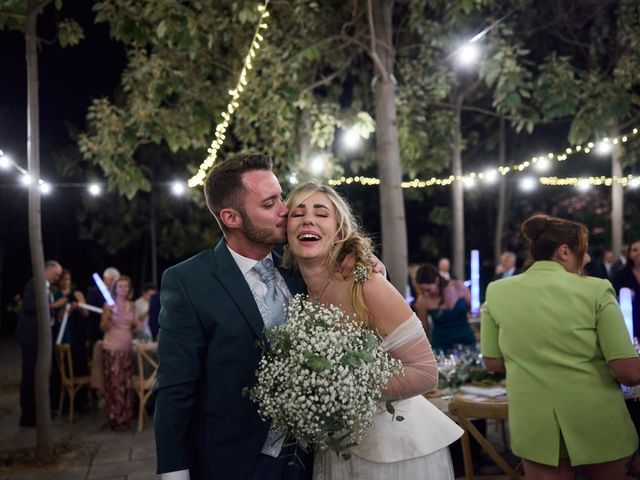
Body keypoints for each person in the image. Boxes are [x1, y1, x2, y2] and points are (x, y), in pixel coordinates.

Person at [285, 183, 462, 479]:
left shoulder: (367, 284)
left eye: (321, 213)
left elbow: (425, 371)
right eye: (297, 214)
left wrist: (345, 390)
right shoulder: (293, 291)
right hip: (335, 448)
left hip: (394, 452)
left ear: (339, 232)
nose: (307, 220)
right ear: (286, 232)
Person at [154, 154, 312, 480]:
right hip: (236, 463)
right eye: (269, 204)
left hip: (310, 459)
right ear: (231, 217)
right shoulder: (189, 282)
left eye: (281, 197)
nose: (285, 210)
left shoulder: (302, 266)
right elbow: (174, 390)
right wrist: (174, 474)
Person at [481, 214, 640, 479]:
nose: (587, 259)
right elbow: (629, 372)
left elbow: (492, 362)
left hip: (534, 424)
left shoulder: (496, 291)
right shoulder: (597, 290)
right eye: (584, 252)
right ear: (565, 251)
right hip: (596, 418)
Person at [15, 260, 63, 426]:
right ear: (47, 270)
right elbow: (28, 305)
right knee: (30, 375)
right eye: (56, 274)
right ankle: (28, 415)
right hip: (31, 337)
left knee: (42, 375)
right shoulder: (34, 283)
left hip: (43, 338)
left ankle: (40, 411)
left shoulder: (49, 288)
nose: (58, 278)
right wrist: (51, 306)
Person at [100, 275, 140, 430]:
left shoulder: (132, 305)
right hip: (112, 348)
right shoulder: (109, 305)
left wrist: (136, 324)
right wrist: (109, 316)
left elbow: (132, 326)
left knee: (126, 384)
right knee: (115, 384)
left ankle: (125, 417)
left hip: (126, 347)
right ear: (115, 289)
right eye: (120, 286)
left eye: (126, 286)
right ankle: (114, 418)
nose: (123, 289)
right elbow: (103, 327)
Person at [412, 264, 475, 352]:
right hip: (441, 346)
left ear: (437, 280)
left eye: (427, 289)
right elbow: (424, 329)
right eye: (422, 290)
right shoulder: (423, 300)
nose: (425, 293)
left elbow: (473, 311)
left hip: (466, 341)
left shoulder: (459, 287)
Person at [52, 269, 90, 410]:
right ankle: (66, 403)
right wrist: (65, 310)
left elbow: (86, 313)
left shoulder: (77, 294)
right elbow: (56, 318)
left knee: (79, 365)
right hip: (63, 336)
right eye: (63, 279)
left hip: (77, 335)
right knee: (64, 368)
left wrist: (80, 306)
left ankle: (81, 402)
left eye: (68, 279)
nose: (66, 282)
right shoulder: (55, 296)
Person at [614, 240, 640, 339]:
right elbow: (614, 297)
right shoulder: (622, 274)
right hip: (630, 322)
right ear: (629, 254)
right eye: (635, 250)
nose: (638, 253)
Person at [86, 267, 120, 343]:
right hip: (97, 328)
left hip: (114, 330)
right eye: (111, 279)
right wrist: (106, 312)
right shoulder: (95, 291)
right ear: (104, 279)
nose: (113, 282)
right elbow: (90, 308)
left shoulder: (118, 293)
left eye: (115, 280)